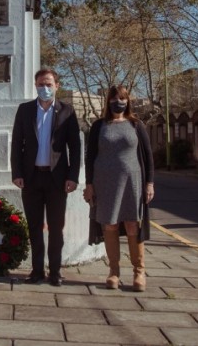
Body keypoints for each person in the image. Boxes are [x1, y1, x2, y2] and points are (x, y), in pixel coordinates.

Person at [11, 68, 81, 287]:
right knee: (34, 227)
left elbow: (75, 148)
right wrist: (17, 173)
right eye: (41, 84)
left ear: (57, 86)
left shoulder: (67, 111)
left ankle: (56, 271)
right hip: (31, 178)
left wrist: (73, 177)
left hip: (57, 179)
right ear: (35, 85)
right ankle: (37, 270)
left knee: (56, 227)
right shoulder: (25, 110)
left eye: (49, 84)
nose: (45, 88)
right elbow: (16, 144)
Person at [83, 85, 155, 291]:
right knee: (110, 225)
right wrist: (89, 185)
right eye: (115, 98)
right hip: (104, 183)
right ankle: (113, 271)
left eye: (122, 98)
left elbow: (148, 156)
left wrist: (149, 183)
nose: (119, 102)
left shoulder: (136, 124)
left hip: (132, 183)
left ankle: (139, 272)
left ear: (128, 101)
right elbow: (90, 157)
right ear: (108, 101)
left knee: (133, 224)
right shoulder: (99, 126)